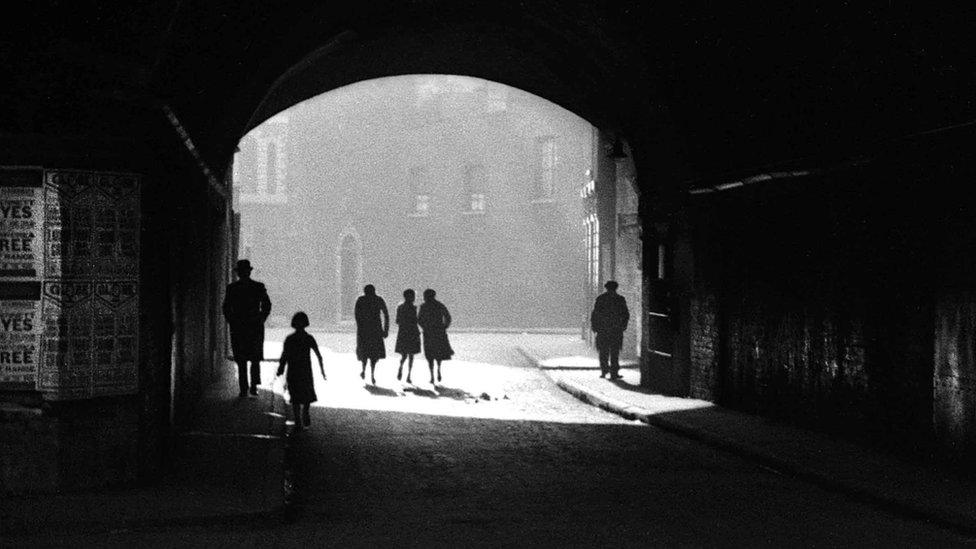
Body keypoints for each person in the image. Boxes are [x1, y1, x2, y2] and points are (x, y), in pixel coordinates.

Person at [222, 259, 272, 397]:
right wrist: (261, 318)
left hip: (240, 327)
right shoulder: (258, 287)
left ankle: (245, 388)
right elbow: (267, 305)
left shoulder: (232, 288)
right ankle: (252, 386)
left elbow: (226, 307)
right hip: (253, 326)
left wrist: (232, 320)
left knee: (243, 359)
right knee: (252, 358)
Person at [276, 312, 325, 432]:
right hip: (305, 370)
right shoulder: (309, 338)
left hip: (293, 370)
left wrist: (281, 368)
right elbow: (318, 355)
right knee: (307, 393)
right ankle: (306, 412)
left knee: (295, 395)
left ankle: (298, 420)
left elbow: (285, 355)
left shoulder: (290, 339)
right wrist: (322, 370)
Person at [590, 280, 629, 380]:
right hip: (616, 330)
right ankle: (614, 372)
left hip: (603, 330)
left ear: (606, 288)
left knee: (603, 351)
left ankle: (604, 371)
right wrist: (623, 326)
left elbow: (595, 314)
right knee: (614, 352)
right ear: (616, 288)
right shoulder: (620, 299)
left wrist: (595, 327)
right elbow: (625, 314)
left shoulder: (601, 299)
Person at [355, 284, 389, 384]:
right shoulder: (378, 300)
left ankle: (364, 369)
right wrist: (385, 329)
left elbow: (357, 315)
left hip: (364, 330)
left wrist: (360, 326)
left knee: (364, 351)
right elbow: (386, 314)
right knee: (374, 353)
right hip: (376, 329)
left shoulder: (361, 300)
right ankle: (372, 373)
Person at [417, 288, 453, 384]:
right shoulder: (439, 305)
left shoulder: (423, 306)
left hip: (428, 332)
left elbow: (419, 319)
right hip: (439, 332)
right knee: (438, 353)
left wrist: (424, 327)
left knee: (429, 354)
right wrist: (444, 326)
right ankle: (438, 369)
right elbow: (448, 317)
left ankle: (432, 375)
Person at [395, 289, 421, 383]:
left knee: (404, 355)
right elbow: (416, 320)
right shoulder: (414, 308)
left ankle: (401, 368)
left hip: (403, 332)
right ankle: (408, 375)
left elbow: (397, 321)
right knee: (411, 355)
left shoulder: (400, 307)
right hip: (412, 332)